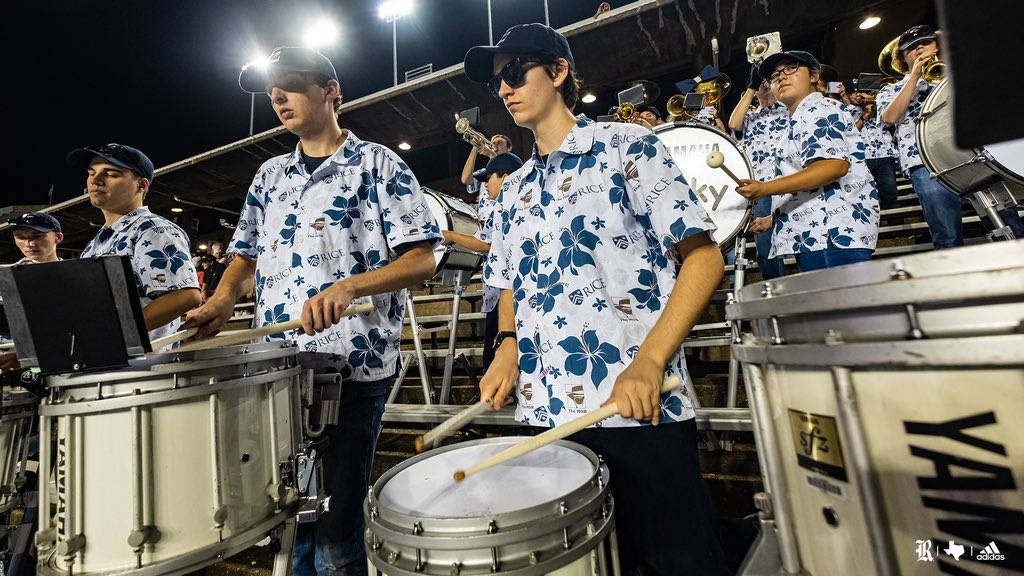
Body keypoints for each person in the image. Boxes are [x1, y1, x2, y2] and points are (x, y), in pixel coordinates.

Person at [463, 23, 729, 575]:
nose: (505, 91)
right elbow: (510, 281)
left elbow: (703, 259)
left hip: (632, 404)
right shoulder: (511, 190)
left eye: (515, 73)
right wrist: (507, 346)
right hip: (548, 413)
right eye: (497, 85)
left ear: (558, 72)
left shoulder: (626, 147)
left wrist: (650, 361)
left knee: (675, 562)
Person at [182, 46, 440, 576]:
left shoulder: (378, 163)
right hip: (279, 367)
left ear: (331, 90)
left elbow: (423, 258)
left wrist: (350, 286)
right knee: (286, 519)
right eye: (271, 90)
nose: (278, 97)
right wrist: (222, 300)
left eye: (291, 83)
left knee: (335, 524)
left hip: (353, 365)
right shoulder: (269, 176)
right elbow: (245, 258)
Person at [877, 25, 1023, 244]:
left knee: (1008, 223)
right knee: (947, 233)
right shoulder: (890, 89)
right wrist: (914, 78)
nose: (919, 50)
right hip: (923, 161)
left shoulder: (959, 75)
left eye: (925, 43)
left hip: (971, 153)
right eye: (912, 48)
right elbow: (890, 118)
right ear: (902, 58)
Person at [737, 51, 879, 273]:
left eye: (791, 68)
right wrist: (773, 218)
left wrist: (765, 188)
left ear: (814, 76)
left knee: (840, 306)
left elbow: (832, 166)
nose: (781, 77)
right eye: (774, 76)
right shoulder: (802, 115)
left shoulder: (816, 109)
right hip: (823, 232)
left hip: (830, 234)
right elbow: (815, 189)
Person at [68, 143, 202, 342]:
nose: (96, 180)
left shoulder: (152, 229)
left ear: (142, 185)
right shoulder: (96, 241)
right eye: (91, 173)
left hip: (139, 366)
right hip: (101, 360)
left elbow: (186, 295)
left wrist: (111, 333)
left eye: (111, 174)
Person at [443, 152, 522, 370]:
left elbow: (487, 244)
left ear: (505, 177)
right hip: (502, 289)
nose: (485, 185)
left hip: (503, 290)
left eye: (489, 178)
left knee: (497, 349)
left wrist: (450, 236)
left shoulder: (504, 209)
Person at [728, 67, 786, 279]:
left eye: (767, 82)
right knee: (765, 247)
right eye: (760, 84)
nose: (764, 86)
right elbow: (733, 124)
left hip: (790, 182)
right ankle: (776, 290)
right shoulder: (750, 117)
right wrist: (752, 89)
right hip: (761, 187)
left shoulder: (788, 110)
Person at [851, 90, 900, 212]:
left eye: (861, 93)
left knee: (890, 193)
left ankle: (896, 224)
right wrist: (865, 115)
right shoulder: (847, 111)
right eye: (854, 93)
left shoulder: (880, 107)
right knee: (863, 194)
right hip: (862, 158)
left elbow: (891, 119)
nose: (858, 95)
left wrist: (874, 100)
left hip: (885, 155)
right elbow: (851, 132)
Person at [460, 132, 511, 213]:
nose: (495, 145)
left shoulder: (513, 167)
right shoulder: (485, 172)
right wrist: (475, 148)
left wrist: (491, 154)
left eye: (499, 142)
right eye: (493, 143)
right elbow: (466, 179)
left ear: (509, 148)